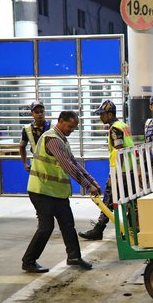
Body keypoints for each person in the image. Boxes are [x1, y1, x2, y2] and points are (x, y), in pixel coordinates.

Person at [22, 111, 100, 273]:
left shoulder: (62, 140)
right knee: (46, 227)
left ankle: (74, 257)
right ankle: (29, 261)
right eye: (70, 126)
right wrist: (87, 185)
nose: (72, 130)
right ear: (61, 121)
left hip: (56, 192)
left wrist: (91, 180)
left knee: (67, 224)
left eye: (74, 128)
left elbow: (73, 162)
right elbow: (68, 166)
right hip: (41, 191)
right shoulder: (52, 139)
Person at [79, 100, 134, 241]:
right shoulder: (124, 126)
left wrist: (114, 174)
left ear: (109, 114)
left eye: (102, 114)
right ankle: (130, 230)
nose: (100, 117)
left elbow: (119, 149)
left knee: (107, 201)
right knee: (130, 203)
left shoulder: (115, 129)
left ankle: (99, 229)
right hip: (130, 171)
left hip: (120, 172)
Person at [19, 100, 50, 172]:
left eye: (41, 111)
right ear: (32, 114)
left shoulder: (52, 127)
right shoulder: (27, 129)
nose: (39, 114)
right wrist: (24, 163)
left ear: (45, 112)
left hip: (51, 165)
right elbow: (22, 146)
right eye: (36, 112)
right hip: (36, 165)